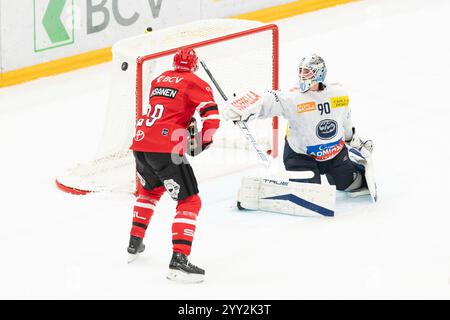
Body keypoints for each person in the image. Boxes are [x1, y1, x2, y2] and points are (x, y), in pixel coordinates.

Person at [127, 47, 220, 283]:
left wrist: (186, 122)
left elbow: (169, 110)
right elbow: (212, 117)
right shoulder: (195, 81)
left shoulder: (159, 80)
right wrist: (203, 141)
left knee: (150, 190)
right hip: (165, 148)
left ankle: (134, 242)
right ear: (195, 65)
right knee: (190, 200)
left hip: (140, 144)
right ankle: (179, 261)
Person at [222, 54, 373, 196]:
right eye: (301, 71)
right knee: (309, 195)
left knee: (349, 185)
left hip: (335, 154)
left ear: (319, 74)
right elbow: (271, 100)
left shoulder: (338, 94)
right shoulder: (294, 97)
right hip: (301, 157)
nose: (302, 75)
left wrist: (354, 141)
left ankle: (354, 165)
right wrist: (245, 108)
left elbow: (345, 121)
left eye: (307, 72)